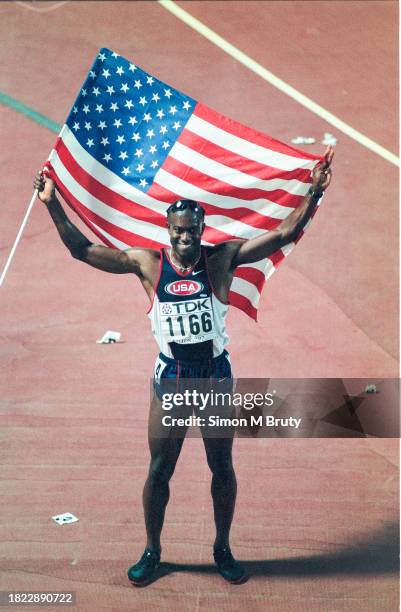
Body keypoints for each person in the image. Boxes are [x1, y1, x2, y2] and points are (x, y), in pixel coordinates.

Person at [33, 145, 333, 586]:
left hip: (213, 376)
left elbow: (284, 234)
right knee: (159, 469)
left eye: (191, 231)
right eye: (178, 232)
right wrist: (51, 202)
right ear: (168, 230)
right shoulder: (148, 264)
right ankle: (153, 550)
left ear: (202, 229)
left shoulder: (221, 259)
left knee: (221, 467)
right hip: (171, 380)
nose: (185, 239)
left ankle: (222, 549)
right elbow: (82, 249)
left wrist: (314, 193)